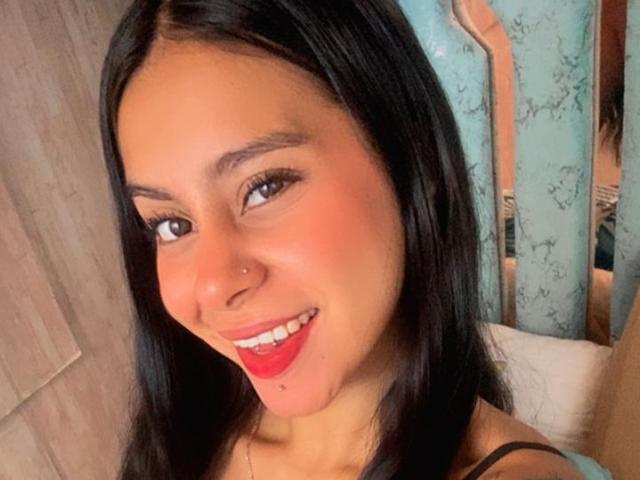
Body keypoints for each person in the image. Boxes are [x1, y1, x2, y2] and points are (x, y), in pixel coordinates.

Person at [100, 1, 587, 478]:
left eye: (265, 187)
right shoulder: (185, 437)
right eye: (171, 224)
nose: (213, 285)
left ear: (411, 158)